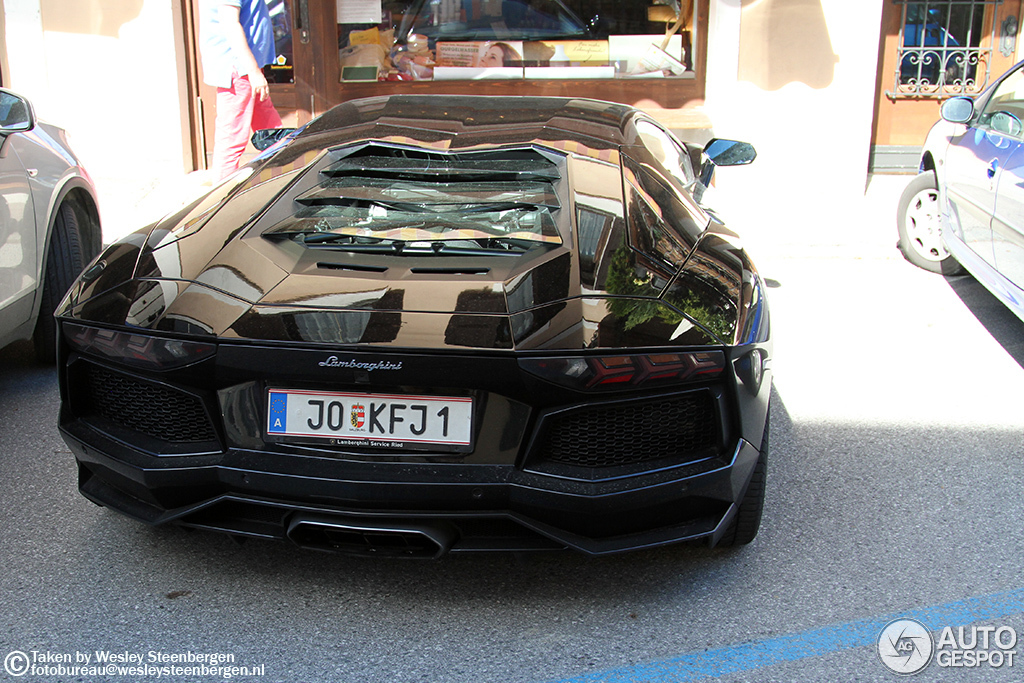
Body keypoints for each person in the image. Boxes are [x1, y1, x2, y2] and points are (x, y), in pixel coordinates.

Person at [199, 0, 283, 181]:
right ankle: (222, 197)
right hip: (239, 68)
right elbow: (230, 24)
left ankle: (283, 174)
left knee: (270, 127)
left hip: (245, 66)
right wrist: (252, 70)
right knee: (232, 135)